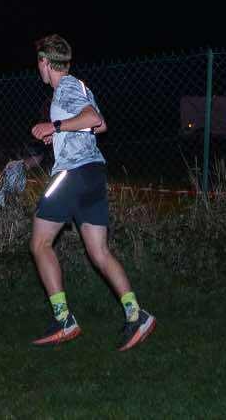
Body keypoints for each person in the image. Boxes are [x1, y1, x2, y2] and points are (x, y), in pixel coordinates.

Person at [27, 34, 157, 351]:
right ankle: (136, 315)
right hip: (93, 176)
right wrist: (61, 134)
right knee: (99, 252)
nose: (39, 69)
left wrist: (54, 127)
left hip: (71, 174)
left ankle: (63, 319)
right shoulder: (81, 87)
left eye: (39, 63)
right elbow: (99, 128)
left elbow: (93, 120)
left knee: (40, 243)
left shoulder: (67, 87)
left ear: (45, 62)